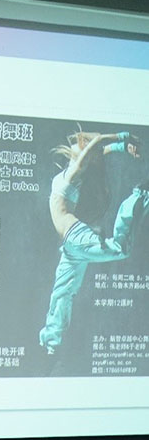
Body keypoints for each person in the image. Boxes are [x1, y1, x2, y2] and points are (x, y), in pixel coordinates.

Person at [39, 130, 146, 355]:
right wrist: (121, 144)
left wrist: (122, 138)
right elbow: (98, 147)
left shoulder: (74, 173)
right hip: (70, 247)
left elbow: (97, 145)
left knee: (120, 249)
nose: (82, 148)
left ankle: (140, 195)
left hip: (76, 237)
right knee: (63, 293)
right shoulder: (69, 171)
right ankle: (51, 344)